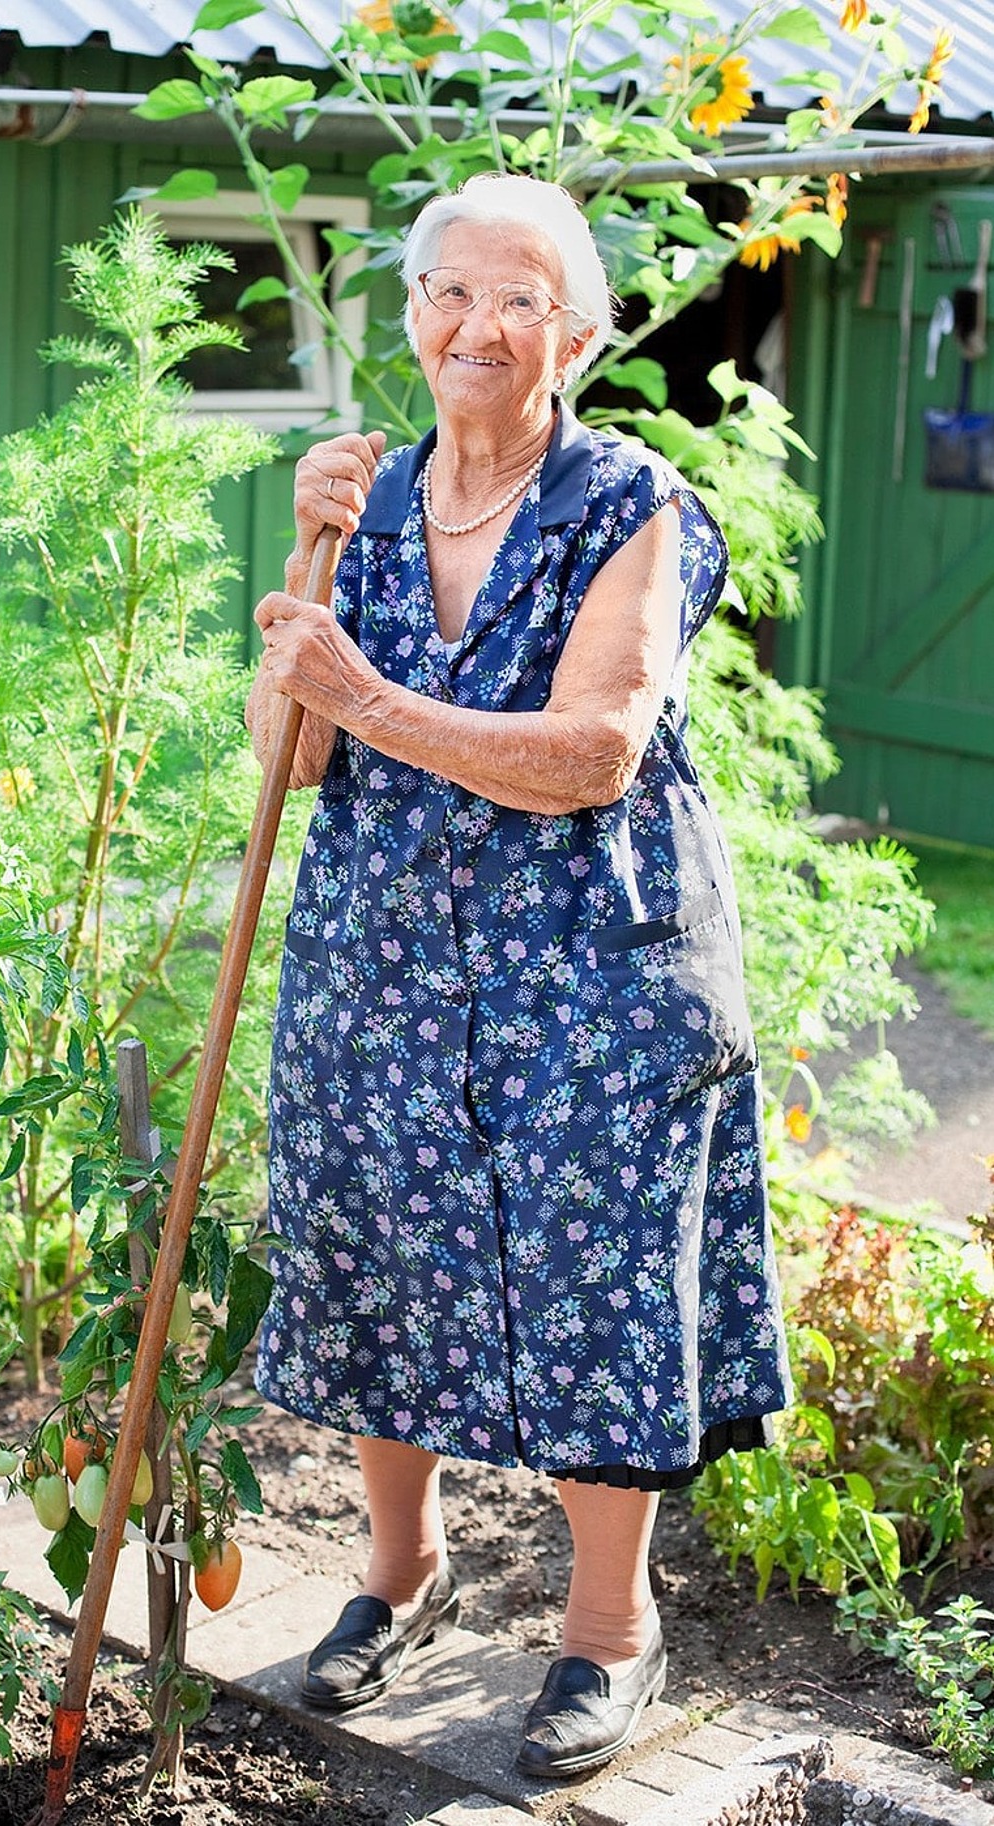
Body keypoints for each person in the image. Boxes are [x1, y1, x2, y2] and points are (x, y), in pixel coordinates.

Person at [246, 172, 791, 1780]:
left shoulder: (633, 503)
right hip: (383, 963)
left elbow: (593, 752)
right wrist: (303, 559)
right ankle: (398, 1577)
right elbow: (284, 759)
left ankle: (608, 1630)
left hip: (594, 976)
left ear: (581, 328)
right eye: (448, 293)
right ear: (407, 314)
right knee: (379, 1243)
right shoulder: (363, 498)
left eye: (521, 297)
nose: (478, 324)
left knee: (590, 1279)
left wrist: (370, 696)